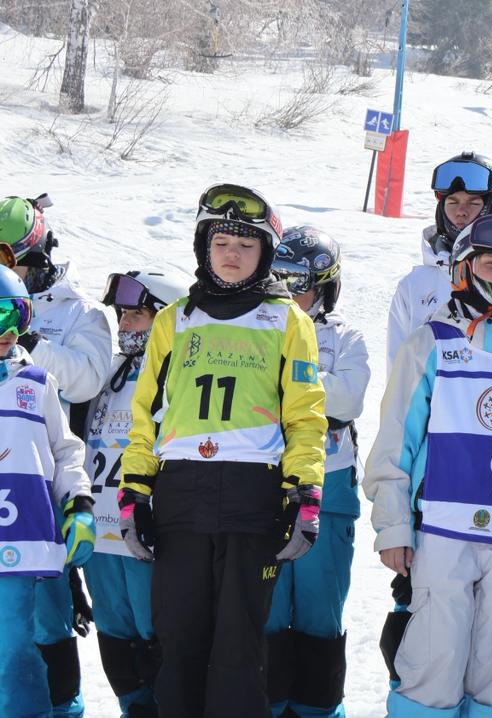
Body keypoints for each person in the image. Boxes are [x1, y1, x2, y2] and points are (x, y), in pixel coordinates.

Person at [119, 183, 327, 716]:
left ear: (265, 253)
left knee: (238, 651)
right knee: (179, 645)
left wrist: (304, 492)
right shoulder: (174, 319)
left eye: (245, 245)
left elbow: (305, 416)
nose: (231, 254)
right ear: (203, 247)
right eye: (221, 243)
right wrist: (134, 490)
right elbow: (145, 416)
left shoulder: (288, 320)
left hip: (251, 498)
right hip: (181, 498)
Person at [366, 212, 492, 717]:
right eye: (491, 263)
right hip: (442, 533)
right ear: (464, 267)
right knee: (433, 666)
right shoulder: (431, 342)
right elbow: (395, 442)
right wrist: (394, 525)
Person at [0, 193, 114, 718]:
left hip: (40, 496)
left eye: (13, 261)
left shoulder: (77, 312)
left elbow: (87, 380)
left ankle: (62, 704)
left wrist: (29, 343)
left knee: (46, 623)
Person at [266, 226, 371, 718]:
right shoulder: (257, 327)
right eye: (279, 278)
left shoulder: (345, 337)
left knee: (318, 613)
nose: (288, 292)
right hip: (264, 488)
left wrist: (286, 380)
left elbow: (348, 400)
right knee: (265, 611)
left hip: (327, 490)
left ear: (326, 287)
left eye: (300, 283)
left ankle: (318, 709)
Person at [82, 269, 190, 718]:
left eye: (136, 315)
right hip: (101, 535)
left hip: (144, 533)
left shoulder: (177, 372)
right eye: (123, 315)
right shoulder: (109, 369)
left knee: (157, 642)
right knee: (116, 645)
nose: (124, 324)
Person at [385, 152, 492, 371]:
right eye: (452, 202)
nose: (461, 212)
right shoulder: (414, 286)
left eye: (473, 202)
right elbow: (398, 369)